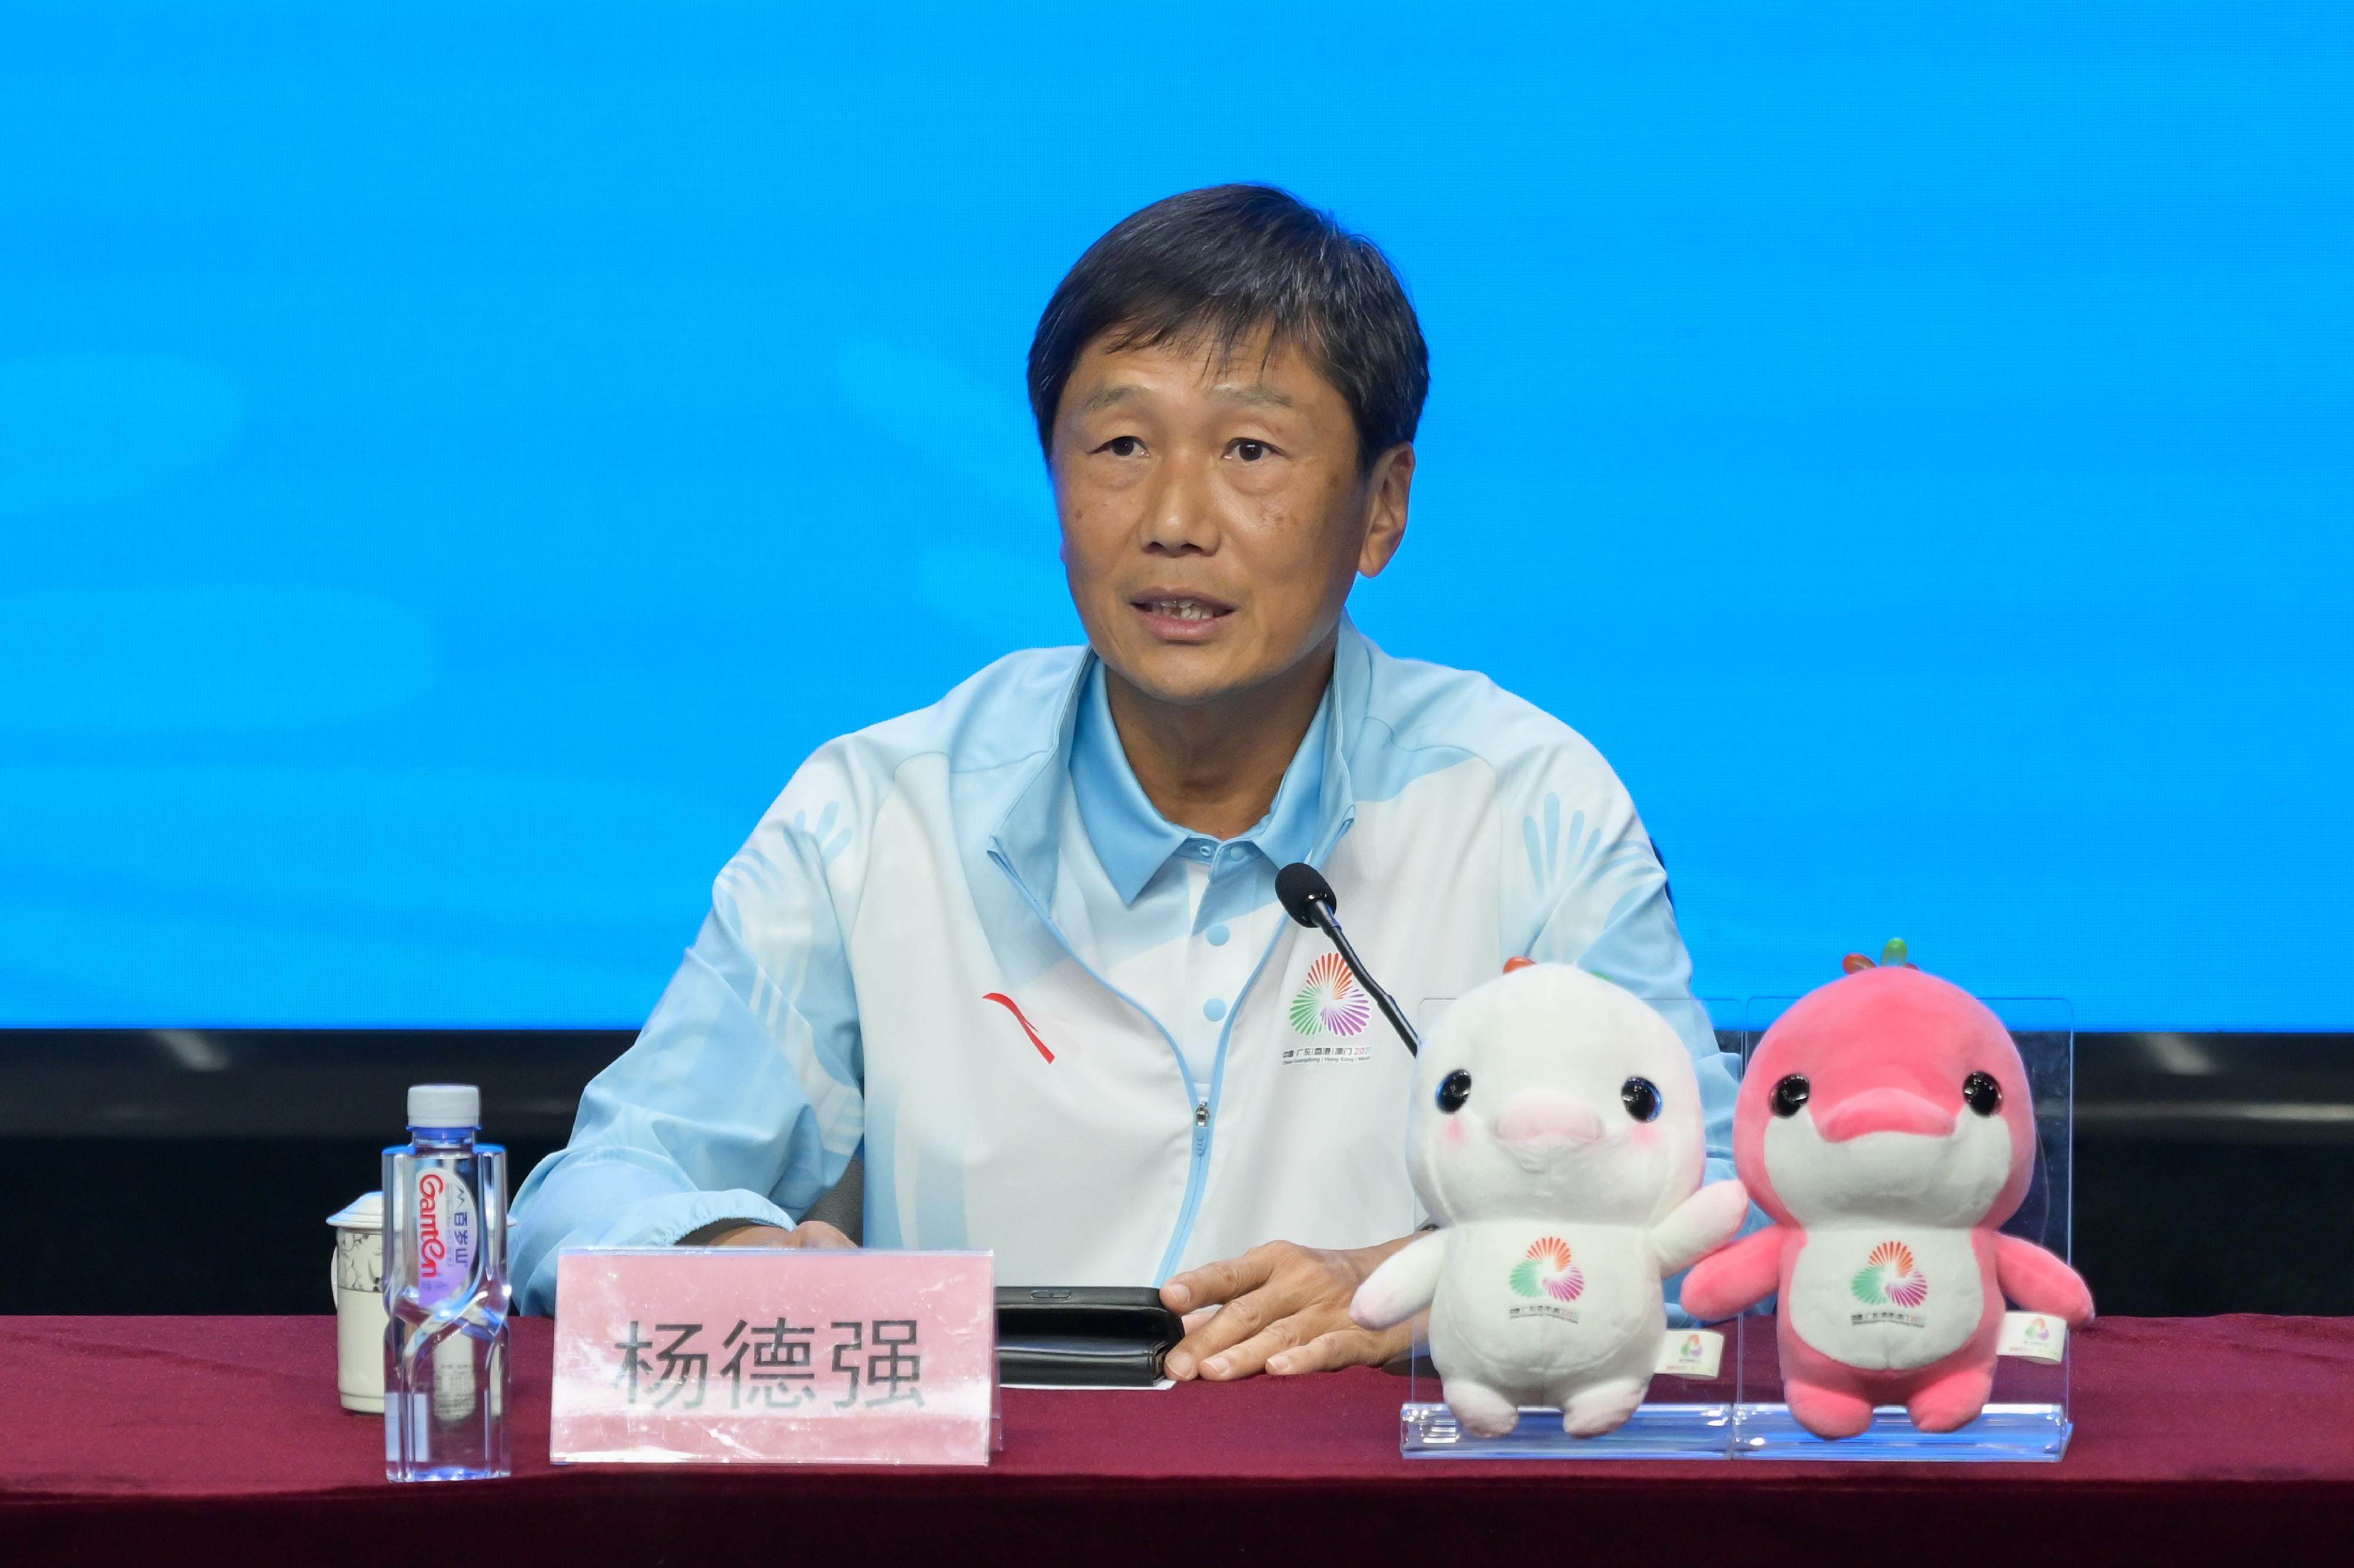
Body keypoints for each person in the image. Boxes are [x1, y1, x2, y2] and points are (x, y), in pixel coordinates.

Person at [511, 184, 1735, 1381]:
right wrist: (730, 1260)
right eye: (1120, 446)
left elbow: (1719, 1216)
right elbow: (592, 1192)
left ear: (1382, 507)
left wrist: (1424, 1285)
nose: (1173, 519)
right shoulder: (877, 813)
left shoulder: (1527, 810)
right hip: (984, 1486)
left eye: (1249, 450)